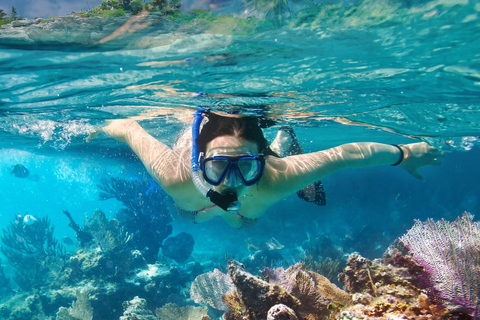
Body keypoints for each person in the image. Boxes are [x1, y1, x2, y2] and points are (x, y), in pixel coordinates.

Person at [87, 110, 443, 228]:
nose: (230, 181)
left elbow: (346, 154)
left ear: (262, 161)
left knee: (243, 221)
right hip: (193, 198)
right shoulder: (175, 175)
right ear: (199, 164)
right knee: (188, 213)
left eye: (244, 167)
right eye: (218, 167)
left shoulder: (276, 177)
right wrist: (100, 127)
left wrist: (405, 153)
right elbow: (129, 127)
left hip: (265, 167)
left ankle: (281, 142)